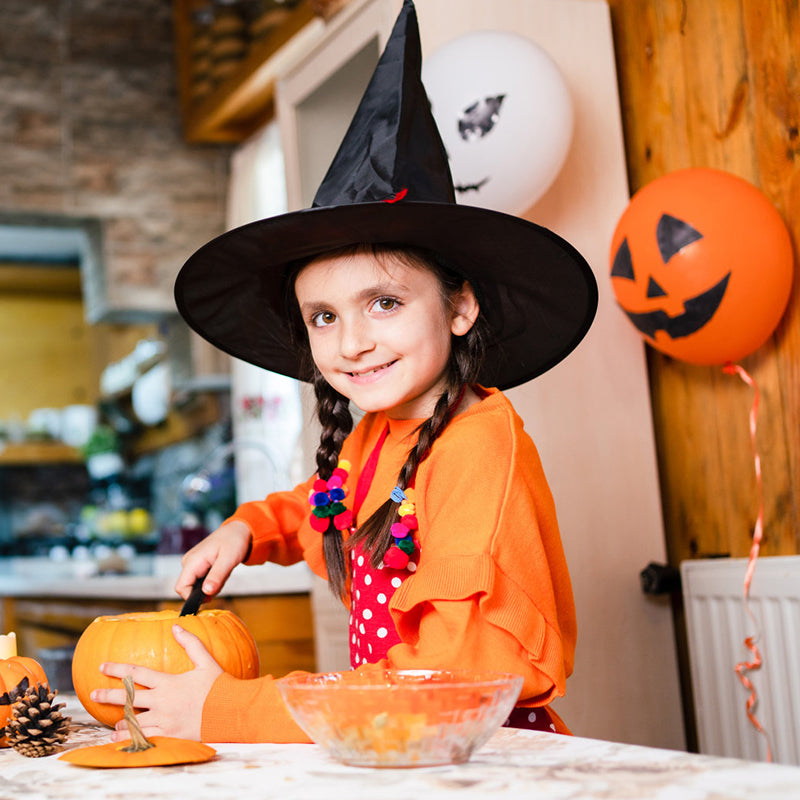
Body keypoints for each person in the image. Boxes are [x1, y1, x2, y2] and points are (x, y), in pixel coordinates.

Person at [91, 0, 597, 743]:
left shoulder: (476, 446)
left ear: (460, 308)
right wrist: (246, 529)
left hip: (477, 761)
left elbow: (449, 687)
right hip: (397, 749)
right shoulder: (379, 437)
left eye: (384, 302)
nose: (351, 342)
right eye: (323, 316)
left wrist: (227, 710)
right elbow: (322, 505)